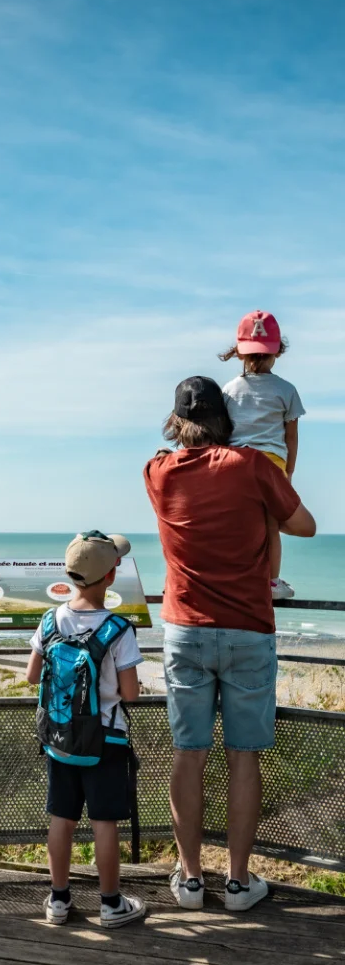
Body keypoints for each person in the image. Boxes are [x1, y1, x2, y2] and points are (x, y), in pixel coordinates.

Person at [144, 378, 315, 912]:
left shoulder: (157, 471)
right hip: (247, 627)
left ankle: (191, 880)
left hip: (185, 631)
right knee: (244, 759)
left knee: (187, 756)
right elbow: (305, 527)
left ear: (175, 422)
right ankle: (239, 883)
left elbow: (169, 455)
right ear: (229, 420)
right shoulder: (253, 468)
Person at [26, 532, 146, 928]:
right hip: (106, 740)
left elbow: (31, 676)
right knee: (103, 822)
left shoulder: (49, 620)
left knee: (61, 817)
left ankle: (58, 900)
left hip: (59, 739)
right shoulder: (118, 629)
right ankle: (111, 905)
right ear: (110, 577)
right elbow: (129, 695)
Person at [220, 310, 306, 599]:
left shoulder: (229, 390)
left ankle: (234, 577)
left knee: (238, 525)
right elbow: (291, 437)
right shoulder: (286, 390)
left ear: (240, 353)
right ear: (277, 352)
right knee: (271, 527)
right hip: (271, 465)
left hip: (235, 465)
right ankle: (271, 584)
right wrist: (289, 472)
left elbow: (223, 432)